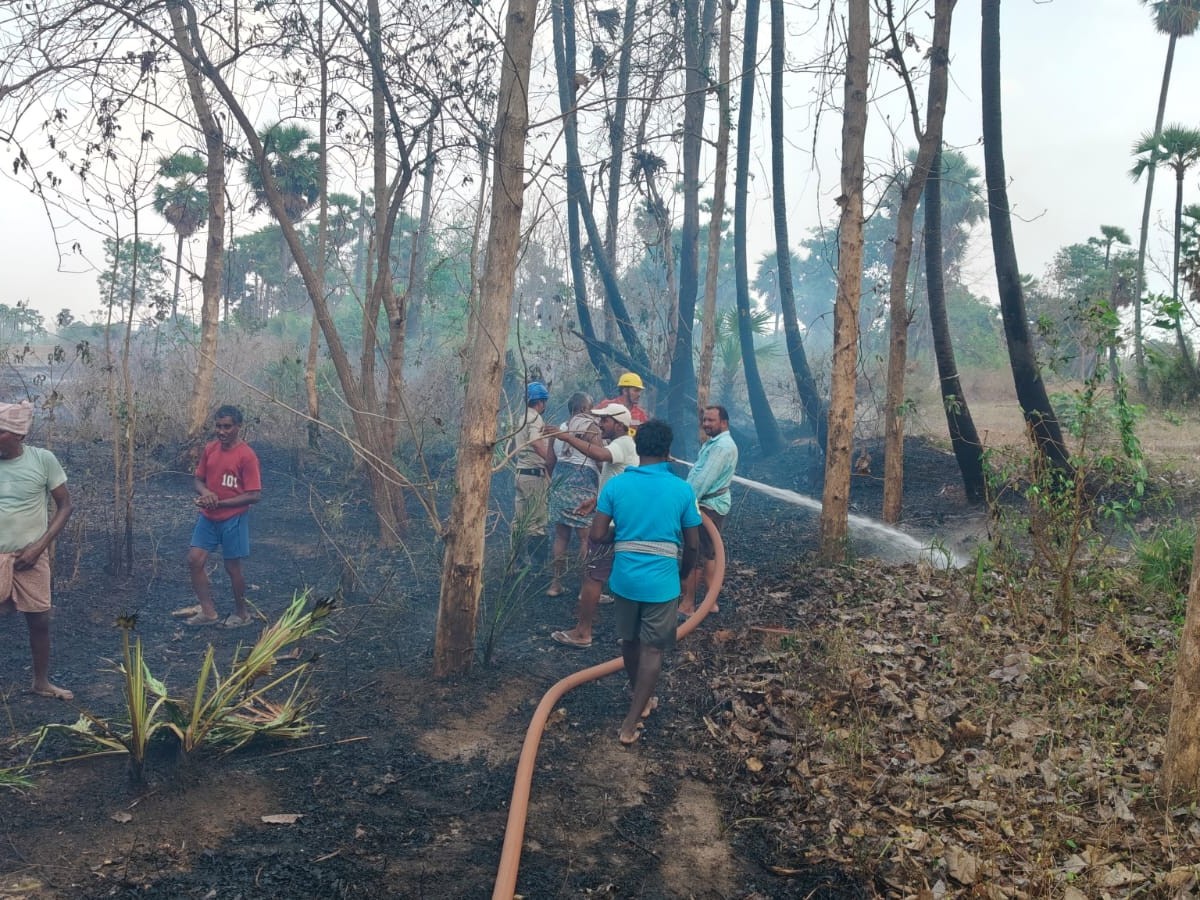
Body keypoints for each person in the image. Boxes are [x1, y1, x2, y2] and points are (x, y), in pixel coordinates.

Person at [588, 419, 700, 745]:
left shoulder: (616, 486)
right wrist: (682, 573)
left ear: (636, 449)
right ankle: (630, 722)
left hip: (624, 579)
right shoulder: (682, 489)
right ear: (668, 452)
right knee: (653, 650)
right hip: (662, 582)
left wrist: (624, 534)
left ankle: (642, 698)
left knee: (629, 641)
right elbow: (693, 544)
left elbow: (596, 535)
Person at [548, 403, 639, 648]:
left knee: (592, 574)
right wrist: (595, 500)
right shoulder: (621, 445)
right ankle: (631, 633)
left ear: (619, 424)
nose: (600, 424)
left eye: (605, 420)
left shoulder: (623, 444)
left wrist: (564, 436)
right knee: (618, 573)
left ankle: (583, 633)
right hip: (615, 515)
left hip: (614, 521)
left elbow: (598, 456)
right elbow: (616, 479)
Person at [0, 401, 74, 700]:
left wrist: (39, 546)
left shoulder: (43, 460)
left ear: (18, 435)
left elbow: (65, 505)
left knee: (39, 620)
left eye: (0, 431)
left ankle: (41, 682)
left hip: (31, 557)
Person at [181, 405, 262, 627]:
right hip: (208, 517)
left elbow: (254, 495)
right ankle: (208, 612)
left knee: (232, 567)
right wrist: (207, 494)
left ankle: (242, 613)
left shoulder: (247, 456)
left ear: (238, 427)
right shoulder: (210, 449)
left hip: (233, 518)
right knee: (194, 560)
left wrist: (221, 502)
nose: (222, 431)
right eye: (218, 426)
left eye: (227, 427)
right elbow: (198, 480)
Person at [679, 405, 738, 616]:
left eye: (711, 420)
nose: (706, 424)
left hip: (707, 506)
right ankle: (709, 602)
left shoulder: (721, 447)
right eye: (704, 420)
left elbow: (704, 480)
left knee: (696, 554)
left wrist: (685, 502)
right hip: (709, 505)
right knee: (708, 553)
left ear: (724, 423)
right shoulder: (715, 444)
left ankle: (688, 604)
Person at [546, 392, 602, 597]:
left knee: (561, 536)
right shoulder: (590, 427)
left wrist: (555, 483)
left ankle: (555, 584)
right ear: (583, 409)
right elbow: (601, 458)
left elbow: (549, 461)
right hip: (583, 487)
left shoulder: (559, 429)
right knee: (587, 539)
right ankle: (584, 589)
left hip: (560, 485)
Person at [512, 381, 553, 568]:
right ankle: (538, 565)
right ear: (541, 402)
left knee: (520, 520)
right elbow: (536, 442)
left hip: (521, 473)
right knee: (537, 520)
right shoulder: (535, 418)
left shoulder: (522, 418)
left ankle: (516, 562)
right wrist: (550, 460)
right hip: (534, 476)